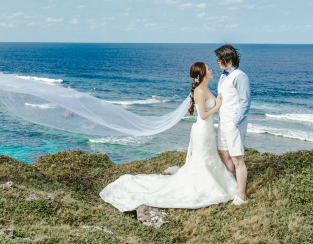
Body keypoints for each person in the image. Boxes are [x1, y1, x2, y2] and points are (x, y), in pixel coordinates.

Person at [99, 62, 237, 211]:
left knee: (210, 157)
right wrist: (217, 106)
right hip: (202, 130)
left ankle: (214, 182)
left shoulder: (205, 88)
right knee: (201, 159)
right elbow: (202, 115)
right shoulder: (199, 91)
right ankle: (203, 186)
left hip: (209, 130)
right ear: (202, 73)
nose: (211, 70)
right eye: (208, 69)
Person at [215, 44, 250, 205]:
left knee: (237, 158)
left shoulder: (240, 76)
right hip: (223, 123)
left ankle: (241, 195)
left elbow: (245, 102)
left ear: (227, 59)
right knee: (224, 154)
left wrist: (235, 123)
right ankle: (231, 188)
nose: (217, 62)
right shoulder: (223, 76)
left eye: (219, 59)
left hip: (233, 124)